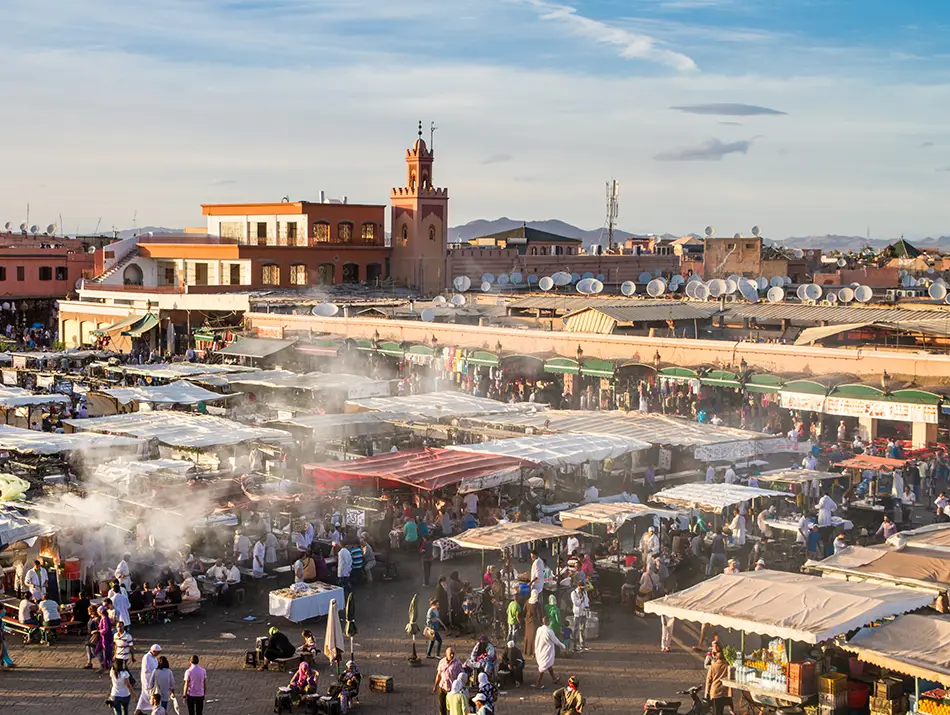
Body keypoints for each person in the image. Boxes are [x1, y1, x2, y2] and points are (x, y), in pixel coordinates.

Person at [533, 616, 565, 689]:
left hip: (540, 649)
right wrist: (563, 646)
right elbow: (556, 641)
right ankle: (538, 683)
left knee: (548, 664)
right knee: (544, 666)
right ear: (548, 622)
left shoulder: (539, 629)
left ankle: (554, 678)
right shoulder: (549, 631)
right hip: (546, 650)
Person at [433, 647, 465, 715]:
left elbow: (462, 675)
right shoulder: (442, 662)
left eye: (453, 654)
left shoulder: (457, 663)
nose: (452, 655)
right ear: (446, 654)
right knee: (442, 706)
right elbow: (439, 675)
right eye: (450, 654)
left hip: (452, 690)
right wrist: (435, 685)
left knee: (452, 708)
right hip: (442, 687)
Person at [134, 643, 161, 714]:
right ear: (154, 651)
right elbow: (146, 670)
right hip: (148, 681)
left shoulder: (153, 657)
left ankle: (138, 711)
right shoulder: (147, 657)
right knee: (152, 698)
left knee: (144, 699)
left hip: (152, 681)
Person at [705, 651, 731, 715]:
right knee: (720, 711)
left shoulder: (713, 666)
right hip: (724, 692)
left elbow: (708, 681)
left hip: (715, 692)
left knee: (716, 711)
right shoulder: (727, 666)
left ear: (716, 658)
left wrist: (707, 693)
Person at [570, 583, 589, 652]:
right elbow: (576, 603)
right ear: (578, 587)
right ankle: (574, 646)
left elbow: (587, 600)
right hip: (577, 613)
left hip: (583, 612)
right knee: (576, 630)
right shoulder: (574, 593)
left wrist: (587, 606)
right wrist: (581, 599)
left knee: (582, 629)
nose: (582, 589)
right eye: (581, 588)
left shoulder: (585, 592)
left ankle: (582, 644)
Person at [523, 590, 541, 658]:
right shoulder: (537, 603)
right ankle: (533, 652)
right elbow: (539, 614)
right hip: (534, 622)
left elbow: (524, 610)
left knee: (528, 636)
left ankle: (527, 651)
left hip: (528, 622)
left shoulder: (528, 602)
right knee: (534, 637)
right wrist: (540, 622)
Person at [99, 606, 115, 671]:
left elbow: (105, 629)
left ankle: (107, 665)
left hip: (106, 637)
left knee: (107, 651)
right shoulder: (104, 618)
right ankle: (107, 664)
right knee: (107, 651)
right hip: (105, 637)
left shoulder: (105, 618)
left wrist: (99, 631)